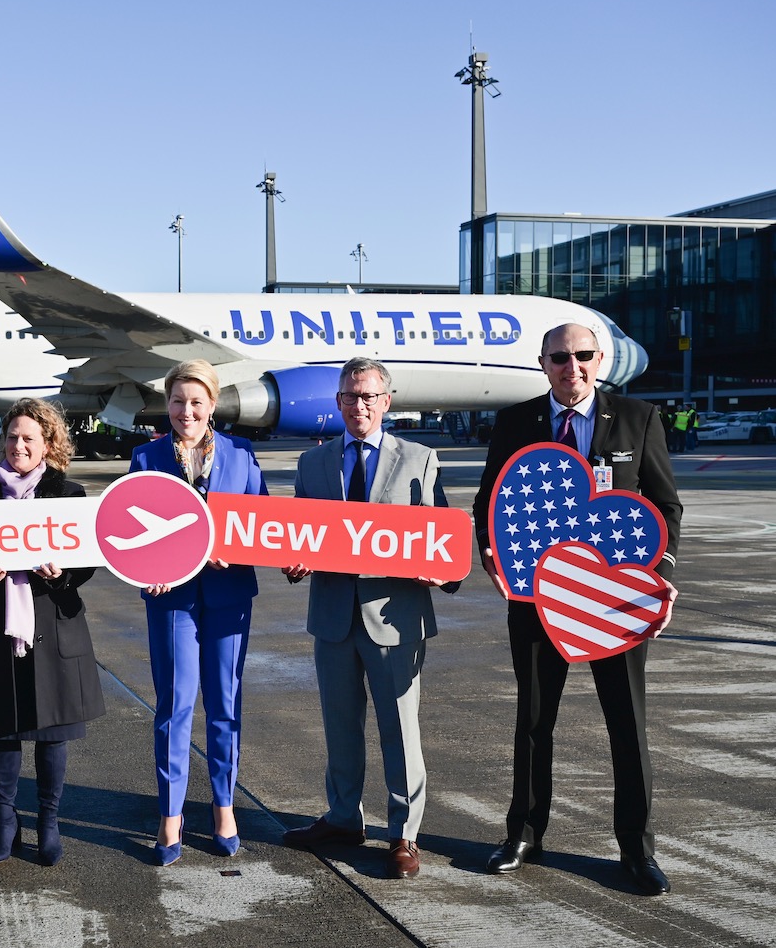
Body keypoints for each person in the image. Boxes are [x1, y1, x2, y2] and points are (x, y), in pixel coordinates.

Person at [473, 323, 682, 896]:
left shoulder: (638, 418)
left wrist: (656, 582)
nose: (573, 367)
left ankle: (637, 850)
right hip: (538, 598)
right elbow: (489, 498)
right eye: (560, 358)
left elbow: (666, 506)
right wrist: (493, 556)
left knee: (626, 723)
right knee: (535, 719)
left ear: (600, 358)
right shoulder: (517, 422)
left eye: (583, 356)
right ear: (542, 363)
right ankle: (524, 832)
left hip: (615, 599)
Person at [280, 358, 459, 880]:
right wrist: (296, 562)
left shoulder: (421, 459)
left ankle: (404, 833)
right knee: (340, 726)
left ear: (386, 402)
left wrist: (441, 574)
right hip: (333, 616)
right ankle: (342, 818)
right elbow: (299, 537)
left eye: (369, 396)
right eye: (350, 396)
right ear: (337, 403)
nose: (359, 405)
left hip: (395, 616)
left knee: (400, 729)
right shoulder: (313, 465)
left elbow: (443, 537)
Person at [0, 398, 106, 867]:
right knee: (3, 732)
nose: (18, 446)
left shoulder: (69, 494)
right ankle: (5, 825)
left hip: (53, 624)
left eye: (29, 439)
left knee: (51, 734)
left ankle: (48, 823)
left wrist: (60, 576)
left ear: (48, 445)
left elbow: (86, 566)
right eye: (12, 437)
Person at [129, 359, 268, 865]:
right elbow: (130, 534)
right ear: (165, 405)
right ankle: (171, 814)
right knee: (174, 706)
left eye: (196, 402)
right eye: (176, 401)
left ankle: (224, 805)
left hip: (228, 594)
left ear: (212, 406)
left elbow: (264, 526)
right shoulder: (145, 458)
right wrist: (149, 567)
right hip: (172, 599)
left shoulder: (242, 455)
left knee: (225, 703)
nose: (186, 411)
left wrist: (242, 549)